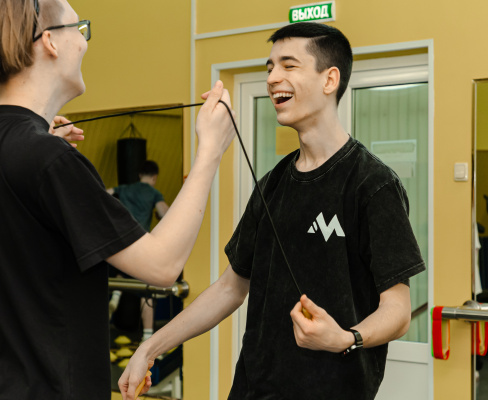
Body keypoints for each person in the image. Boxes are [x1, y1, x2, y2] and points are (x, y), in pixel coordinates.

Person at [121, 22, 425, 400]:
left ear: (330, 79)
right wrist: (149, 348)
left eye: (288, 65)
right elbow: (229, 288)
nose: (272, 78)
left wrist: (346, 338)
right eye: (269, 68)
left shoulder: (373, 184)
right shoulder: (271, 184)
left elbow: (397, 310)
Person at [0, 0, 235, 399]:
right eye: (80, 29)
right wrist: (210, 150)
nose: (84, 43)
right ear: (50, 42)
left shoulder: (34, 155)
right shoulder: (49, 160)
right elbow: (162, 266)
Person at [107, 160, 170, 340]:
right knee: (146, 288)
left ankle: (115, 298)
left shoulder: (124, 189)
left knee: (122, 274)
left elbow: (104, 194)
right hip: (141, 245)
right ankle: (147, 336)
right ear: (155, 177)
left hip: (121, 244)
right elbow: (164, 213)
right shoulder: (154, 193)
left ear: (140, 174)